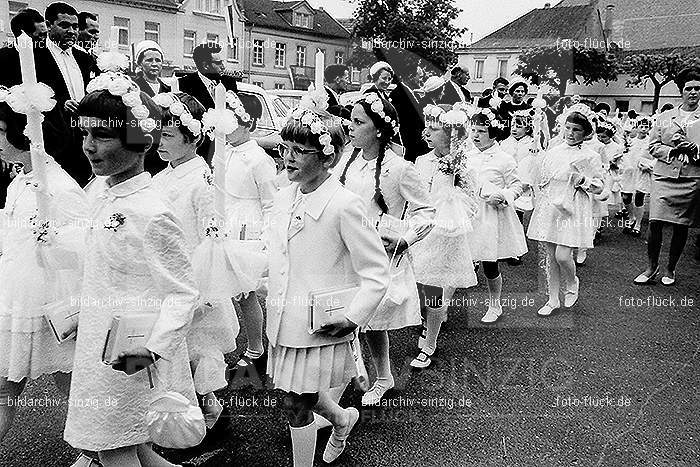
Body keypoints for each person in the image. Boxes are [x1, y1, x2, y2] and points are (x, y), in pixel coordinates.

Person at [63, 77, 200, 467]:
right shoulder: (102, 193)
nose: (89, 145)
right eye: (86, 133)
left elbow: (182, 292)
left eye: (104, 136)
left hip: (130, 350)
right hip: (97, 342)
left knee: (112, 446)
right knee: (129, 443)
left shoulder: (151, 211)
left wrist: (152, 347)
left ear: (140, 139)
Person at [268, 106, 390, 466]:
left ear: (327, 156)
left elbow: (376, 270)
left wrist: (354, 317)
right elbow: (279, 251)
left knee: (296, 404)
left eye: (298, 151)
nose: (287, 158)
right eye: (283, 148)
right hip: (285, 316)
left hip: (321, 322)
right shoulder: (285, 195)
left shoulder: (344, 205)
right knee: (294, 391)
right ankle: (342, 419)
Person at [0, 97, 88, 443]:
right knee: (6, 387)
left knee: (75, 386)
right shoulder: (20, 181)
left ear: (26, 136)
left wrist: (54, 239)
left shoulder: (61, 187)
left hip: (53, 306)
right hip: (16, 300)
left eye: (1, 132)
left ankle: (101, 450)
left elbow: (84, 249)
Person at [338, 92, 434, 404]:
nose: (349, 127)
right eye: (350, 120)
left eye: (357, 122)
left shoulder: (399, 168)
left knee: (371, 322)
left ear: (378, 129)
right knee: (345, 316)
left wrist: (406, 238)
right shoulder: (347, 161)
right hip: (345, 248)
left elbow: (427, 212)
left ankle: (382, 377)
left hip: (379, 252)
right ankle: (351, 374)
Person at [151, 92, 239, 429]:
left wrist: (204, 288)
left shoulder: (203, 180)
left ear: (195, 138)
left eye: (169, 135)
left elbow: (210, 236)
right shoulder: (163, 176)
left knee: (200, 346)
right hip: (166, 274)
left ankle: (210, 411)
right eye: (159, 133)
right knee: (177, 349)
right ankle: (189, 411)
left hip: (193, 278)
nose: (160, 141)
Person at [410, 104, 477, 368]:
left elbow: (472, 200)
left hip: (446, 233)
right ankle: (430, 320)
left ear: (451, 134)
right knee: (421, 286)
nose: (426, 132)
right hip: (422, 229)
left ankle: (430, 343)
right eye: (426, 126)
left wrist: (453, 203)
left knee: (434, 288)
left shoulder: (462, 164)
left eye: (434, 128)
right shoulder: (421, 160)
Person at [527, 105, 604, 316]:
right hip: (553, 204)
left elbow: (600, 187)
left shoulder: (590, 156)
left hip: (574, 206)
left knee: (563, 255)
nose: (570, 133)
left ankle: (572, 281)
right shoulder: (553, 152)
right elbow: (543, 177)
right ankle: (552, 299)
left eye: (576, 129)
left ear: (586, 132)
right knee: (550, 256)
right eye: (568, 128)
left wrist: (584, 181)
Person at [222, 91, 274, 372]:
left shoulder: (258, 159)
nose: (227, 129)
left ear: (250, 125)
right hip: (227, 223)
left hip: (248, 227)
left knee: (247, 292)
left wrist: (265, 239)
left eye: (235, 122)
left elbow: (270, 201)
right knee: (233, 291)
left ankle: (256, 347)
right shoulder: (225, 153)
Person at [634, 66, 700, 286]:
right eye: (689, 88)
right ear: (681, 90)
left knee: (681, 225)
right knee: (655, 223)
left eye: (698, 88)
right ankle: (651, 267)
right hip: (663, 176)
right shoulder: (665, 117)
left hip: (691, 177)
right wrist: (673, 150)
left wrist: (694, 150)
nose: (693, 92)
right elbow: (653, 146)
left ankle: (671, 269)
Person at [465, 108, 527, 323]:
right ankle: (440, 309)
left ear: (493, 133)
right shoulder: (466, 155)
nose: (475, 135)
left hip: (490, 215)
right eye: (473, 130)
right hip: (466, 212)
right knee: (456, 257)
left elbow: (518, 185)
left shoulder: (504, 159)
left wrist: (503, 195)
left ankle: (495, 304)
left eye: (481, 131)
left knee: (489, 263)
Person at [38, 2, 96, 186]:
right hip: (52, 142)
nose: (71, 31)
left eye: (75, 26)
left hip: (84, 139)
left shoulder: (84, 58)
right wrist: (60, 103)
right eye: (64, 25)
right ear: (48, 25)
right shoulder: (34, 56)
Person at [179, 42, 238, 164]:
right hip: (198, 152)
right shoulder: (184, 85)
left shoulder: (229, 83)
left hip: (226, 150)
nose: (223, 66)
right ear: (205, 65)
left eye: (223, 62)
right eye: (218, 63)